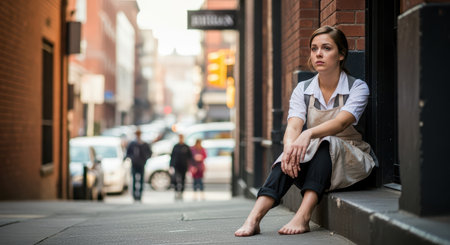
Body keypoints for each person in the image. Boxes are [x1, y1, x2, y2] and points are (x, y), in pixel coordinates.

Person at [235, 25, 376, 236]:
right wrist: (290, 148)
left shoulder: (357, 87)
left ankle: (303, 216)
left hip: (352, 161)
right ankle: (253, 218)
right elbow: (293, 125)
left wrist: (308, 133)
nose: (318, 53)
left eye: (326, 48)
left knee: (326, 142)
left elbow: (340, 123)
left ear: (341, 54)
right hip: (316, 164)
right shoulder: (303, 89)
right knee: (293, 149)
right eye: (314, 48)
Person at [126, 127, 152, 202]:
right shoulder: (132, 144)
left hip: (141, 164)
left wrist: (145, 159)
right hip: (134, 164)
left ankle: (140, 195)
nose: (138, 135)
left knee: (141, 180)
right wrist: (132, 158)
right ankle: (134, 195)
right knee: (134, 180)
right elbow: (128, 153)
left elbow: (149, 153)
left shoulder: (144, 144)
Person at [170, 134, 192, 200]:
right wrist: (171, 165)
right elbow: (172, 156)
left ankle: (182, 192)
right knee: (176, 179)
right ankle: (176, 191)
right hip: (177, 165)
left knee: (183, 180)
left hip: (184, 166)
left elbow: (190, 156)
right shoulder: (176, 146)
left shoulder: (186, 147)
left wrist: (189, 165)